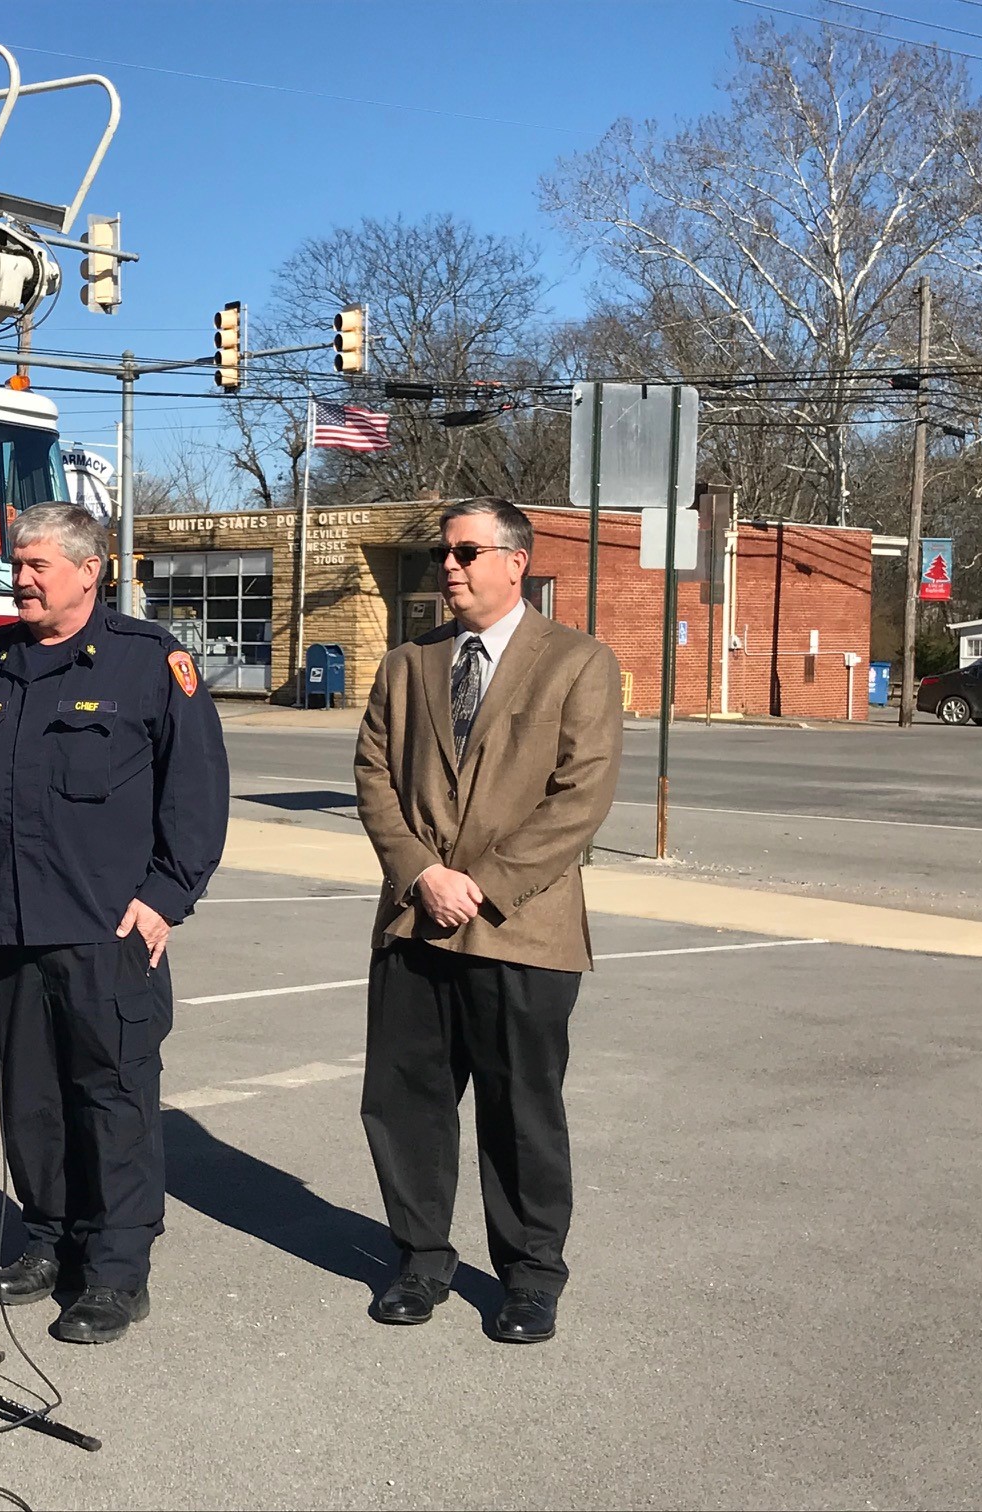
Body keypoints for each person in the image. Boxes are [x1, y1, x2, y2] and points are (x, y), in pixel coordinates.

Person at [0, 503, 229, 1345]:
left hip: (108, 928)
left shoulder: (151, 663)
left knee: (113, 1098)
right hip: (8, 925)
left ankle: (115, 1270)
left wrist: (165, 896)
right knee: (32, 1099)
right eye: (18, 562)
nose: (23, 577)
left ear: (92, 570)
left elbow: (195, 797)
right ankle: (47, 1238)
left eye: (40, 564)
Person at [352, 496, 624, 1344]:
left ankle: (531, 1275)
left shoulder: (579, 662)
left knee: (520, 1108)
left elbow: (580, 797)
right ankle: (421, 1258)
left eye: (467, 552)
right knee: (405, 1103)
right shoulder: (409, 662)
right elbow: (372, 775)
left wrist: (479, 883)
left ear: (517, 560)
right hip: (415, 920)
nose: (451, 567)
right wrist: (422, 873)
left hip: (523, 927)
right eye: (444, 554)